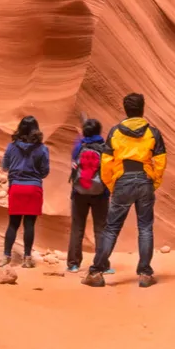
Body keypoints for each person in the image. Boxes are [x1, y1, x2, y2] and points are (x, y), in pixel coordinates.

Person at [84, 92, 167, 288]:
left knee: (111, 228)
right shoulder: (152, 133)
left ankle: (96, 273)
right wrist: (153, 182)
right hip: (145, 180)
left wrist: (113, 184)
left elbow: (106, 162)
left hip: (122, 181)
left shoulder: (115, 132)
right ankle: (145, 274)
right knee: (145, 228)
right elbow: (161, 161)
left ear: (126, 109)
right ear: (142, 109)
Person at [0, 115, 49, 268]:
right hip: (33, 188)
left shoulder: (11, 147)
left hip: (16, 188)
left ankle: (6, 256)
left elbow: (5, 166)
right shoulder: (42, 149)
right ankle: (27, 258)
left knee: (13, 224)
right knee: (29, 225)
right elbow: (45, 171)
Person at [66, 117, 110, 273]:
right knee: (101, 228)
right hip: (100, 193)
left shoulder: (78, 147)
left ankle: (73, 263)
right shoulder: (104, 148)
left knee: (77, 227)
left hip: (79, 192)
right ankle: (102, 265)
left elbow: (74, 166)